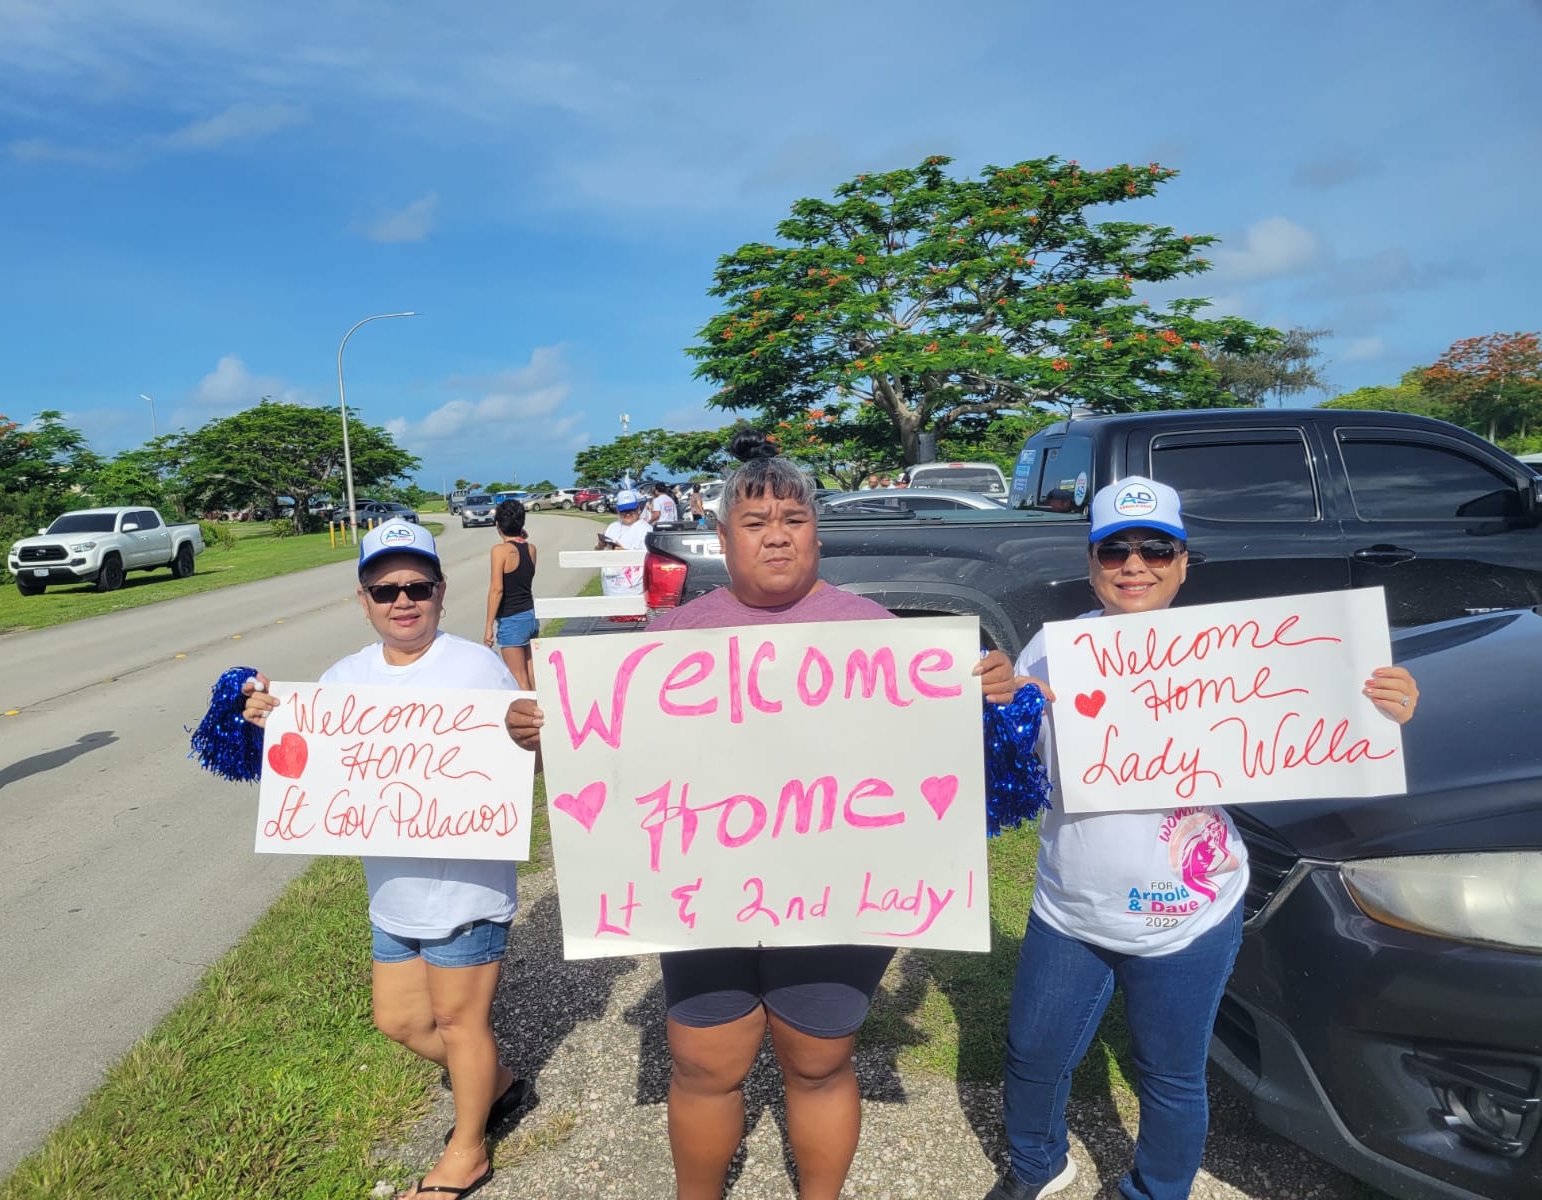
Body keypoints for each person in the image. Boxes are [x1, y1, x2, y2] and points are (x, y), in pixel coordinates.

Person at [508, 429, 1024, 1200]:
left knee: (817, 1060)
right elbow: (608, 764)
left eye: (794, 517)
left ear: (818, 529)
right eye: (755, 522)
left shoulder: (880, 638)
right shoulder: (673, 635)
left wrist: (991, 701)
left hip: (836, 899)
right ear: (723, 538)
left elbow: (944, 772)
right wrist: (542, 737)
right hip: (703, 896)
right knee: (704, 1062)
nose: (777, 533)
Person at [985, 476, 1420, 1200]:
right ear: (1091, 563)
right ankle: (1037, 1168)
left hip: (1189, 912)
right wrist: (1002, 710)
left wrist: (1386, 711)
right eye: (1113, 550)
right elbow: (1014, 774)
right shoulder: (1049, 650)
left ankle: (1156, 1190)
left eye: (1156, 548)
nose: (1134, 565)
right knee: (1031, 1055)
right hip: (1070, 905)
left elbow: (1324, 739)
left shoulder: (1236, 657)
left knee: (1171, 1071)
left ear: (1184, 562)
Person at [241, 520, 533, 1199]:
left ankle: (468, 1150)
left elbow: (523, 765)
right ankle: (498, 1082)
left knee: (463, 1023)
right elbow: (314, 761)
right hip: (393, 886)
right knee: (399, 1020)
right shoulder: (344, 677)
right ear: (363, 598)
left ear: (440, 590)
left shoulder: (476, 667)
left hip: (466, 887)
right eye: (386, 589)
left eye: (418, 587)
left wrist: (527, 736)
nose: (403, 601)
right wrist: (268, 719)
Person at [484, 498, 539, 690]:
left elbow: (496, 589)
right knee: (531, 675)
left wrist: (489, 625)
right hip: (530, 615)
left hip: (511, 619)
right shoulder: (530, 549)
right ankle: (543, 716)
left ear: (497, 524)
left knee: (519, 679)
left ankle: (531, 719)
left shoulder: (500, 551)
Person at [596, 488, 653, 599]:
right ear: (618, 510)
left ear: (638, 509)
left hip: (633, 591)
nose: (627, 514)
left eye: (631, 510)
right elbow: (599, 553)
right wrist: (600, 546)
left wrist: (624, 552)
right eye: (624, 511)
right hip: (610, 589)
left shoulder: (646, 529)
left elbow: (649, 558)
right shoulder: (612, 527)